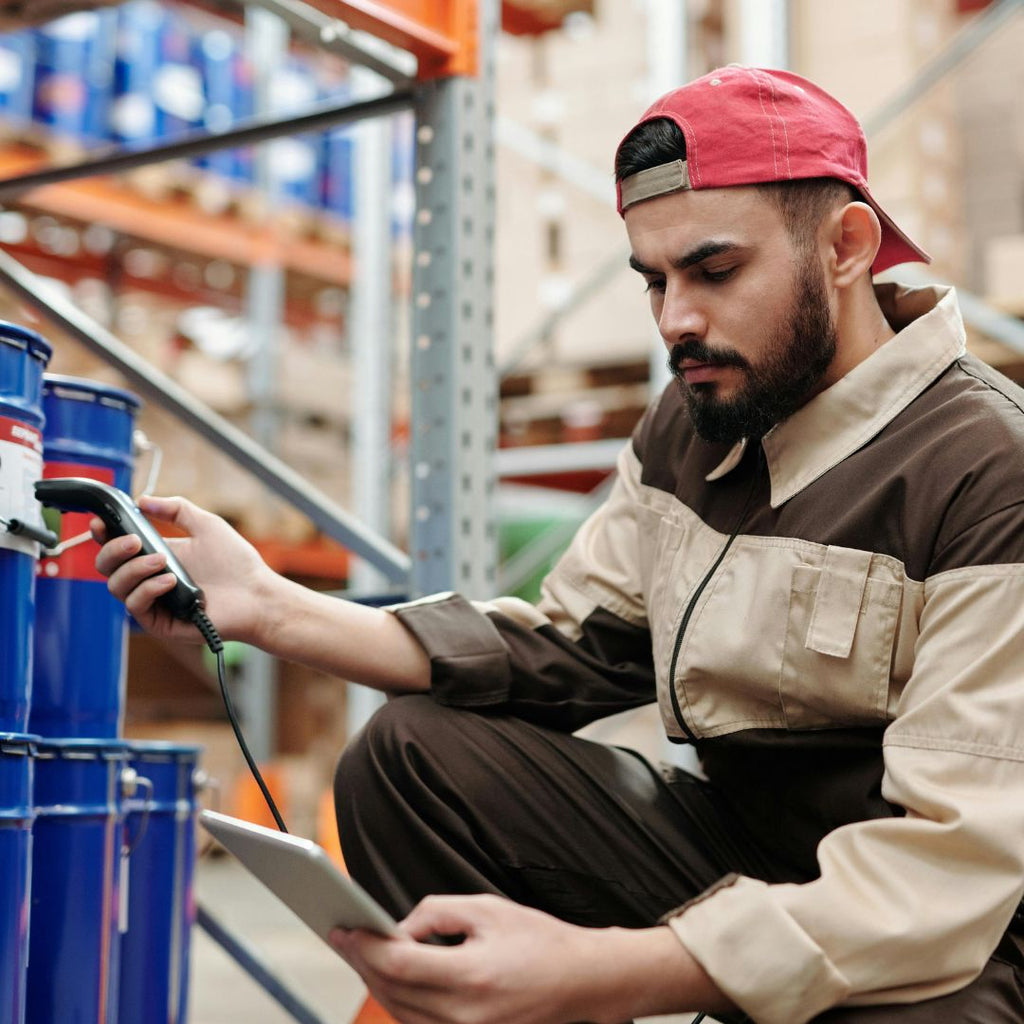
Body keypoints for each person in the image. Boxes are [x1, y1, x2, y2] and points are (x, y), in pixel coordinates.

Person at [95, 65, 1024, 1023]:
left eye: (714, 271)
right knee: (411, 757)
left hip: (949, 931)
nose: (676, 321)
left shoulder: (987, 470)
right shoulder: (696, 421)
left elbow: (946, 877)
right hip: (744, 850)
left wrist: (598, 971)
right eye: (654, 281)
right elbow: (574, 645)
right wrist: (272, 605)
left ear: (846, 246)